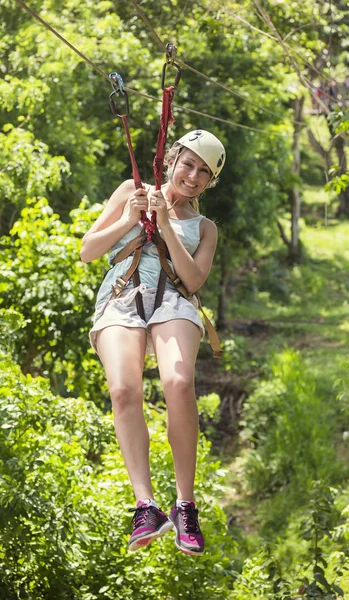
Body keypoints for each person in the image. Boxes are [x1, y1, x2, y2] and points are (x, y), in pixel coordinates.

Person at [80, 129, 226, 556]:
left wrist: (164, 223)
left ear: (209, 182)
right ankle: (145, 505)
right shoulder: (132, 190)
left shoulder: (205, 228)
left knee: (178, 382)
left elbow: (194, 279)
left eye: (203, 172)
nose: (193, 176)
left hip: (174, 301)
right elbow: (88, 251)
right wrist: (131, 218)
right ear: (172, 158)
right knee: (123, 391)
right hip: (123, 296)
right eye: (188, 163)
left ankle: (185, 505)